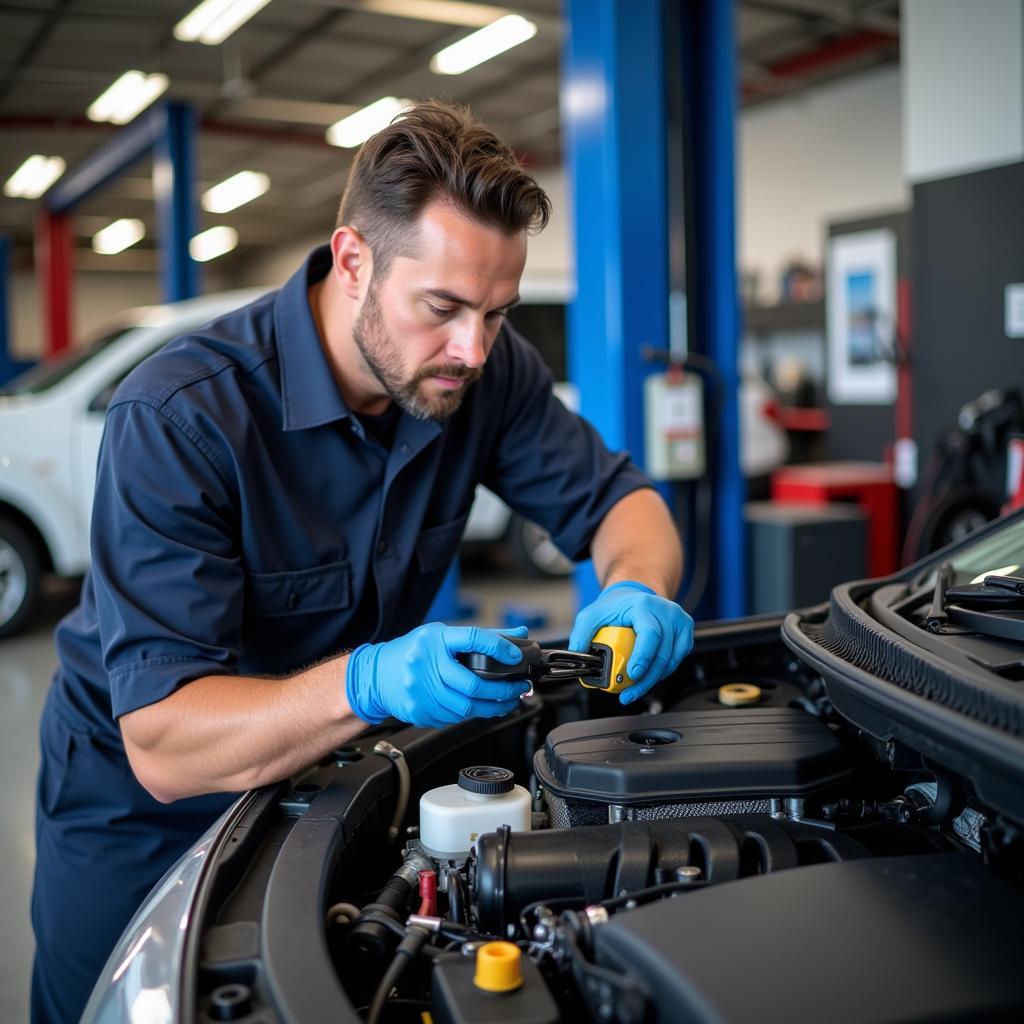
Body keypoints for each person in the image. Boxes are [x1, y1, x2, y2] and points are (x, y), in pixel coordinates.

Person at [31, 101, 692, 1022]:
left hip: (335, 785)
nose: (473, 348)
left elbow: (627, 505)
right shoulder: (182, 417)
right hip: (143, 823)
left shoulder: (481, 374)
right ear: (352, 262)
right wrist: (373, 679)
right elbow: (165, 743)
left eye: (497, 313)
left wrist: (635, 589)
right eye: (444, 308)